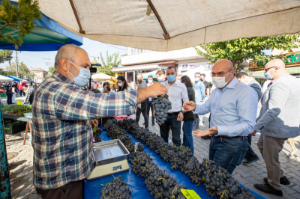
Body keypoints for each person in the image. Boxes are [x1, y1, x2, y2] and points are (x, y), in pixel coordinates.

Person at [32, 44, 167, 199]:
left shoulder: (60, 88)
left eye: (89, 67)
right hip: (62, 183)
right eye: (84, 66)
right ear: (65, 64)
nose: (87, 71)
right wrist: (147, 92)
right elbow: (101, 103)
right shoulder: (55, 90)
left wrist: (86, 122)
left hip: (67, 178)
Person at [183, 59, 258, 174]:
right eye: (213, 74)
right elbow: (206, 108)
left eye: (220, 74)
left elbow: (248, 126)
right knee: (212, 174)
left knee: (216, 177)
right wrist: (195, 107)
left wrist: (218, 129)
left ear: (232, 73)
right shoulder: (216, 91)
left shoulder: (245, 92)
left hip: (232, 143)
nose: (216, 77)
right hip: (215, 139)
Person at [252, 59, 300, 197]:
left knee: (271, 157)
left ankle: (274, 185)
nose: (265, 73)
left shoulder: (281, 84)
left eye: (267, 70)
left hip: (275, 129)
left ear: (277, 68)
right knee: (261, 145)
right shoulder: (294, 80)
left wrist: (256, 126)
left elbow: (273, 110)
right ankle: (280, 176)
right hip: (279, 127)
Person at [154, 66, 189, 146]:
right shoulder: (162, 85)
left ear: (176, 74)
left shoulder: (181, 86)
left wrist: (182, 111)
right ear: (166, 75)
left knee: (176, 139)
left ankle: (177, 157)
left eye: (172, 73)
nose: (170, 75)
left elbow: (186, 101)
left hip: (176, 116)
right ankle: (164, 155)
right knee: (163, 138)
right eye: (168, 74)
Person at [236, 72, 262, 165]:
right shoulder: (252, 85)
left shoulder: (254, 85)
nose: (240, 83)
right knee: (245, 137)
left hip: (247, 116)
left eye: (240, 81)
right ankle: (247, 155)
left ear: (243, 77)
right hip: (246, 115)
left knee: (243, 136)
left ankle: (250, 155)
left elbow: (253, 100)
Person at [181, 75, 195, 155]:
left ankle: (191, 151)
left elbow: (185, 102)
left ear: (185, 82)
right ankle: (185, 147)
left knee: (188, 134)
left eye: (181, 82)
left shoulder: (188, 90)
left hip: (189, 115)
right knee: (185, 130)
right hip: (189, 115)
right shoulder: (189, 89)